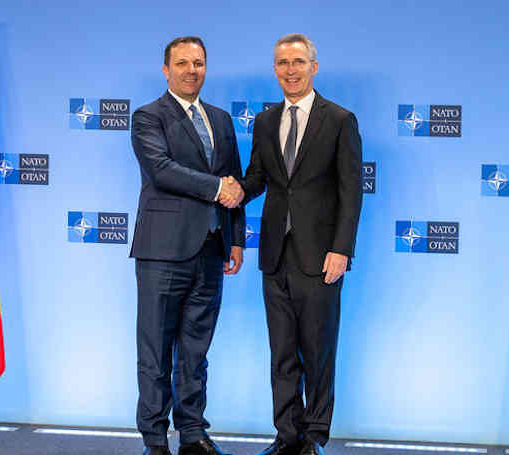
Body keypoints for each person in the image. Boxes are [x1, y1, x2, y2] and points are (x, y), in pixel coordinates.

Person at [240, 33, 363, 455]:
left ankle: (313, 438)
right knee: (282, 355)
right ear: (274, 69)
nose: (289, 71)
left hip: (321, 257)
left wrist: (341, 249)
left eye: (297, 62)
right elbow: (258, 178)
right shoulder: (265, 121)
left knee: (318, 353)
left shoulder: (340, 119)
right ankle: (286, 435)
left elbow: (351, 191)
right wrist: (229, 189)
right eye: (281, 63)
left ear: (313, 66)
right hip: (275, 256)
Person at [130, 36, 246, 455]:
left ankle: (194, 433)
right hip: (162, 252)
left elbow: (234, 181)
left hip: (212, 251)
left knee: (196, 351)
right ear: (166, 70)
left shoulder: (219, 118)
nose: (191, 70)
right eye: (182, 63)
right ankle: (156, 440)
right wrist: (218, 189)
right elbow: (163, 171)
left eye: (198, 63)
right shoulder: (147, 117)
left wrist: (235, 239)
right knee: (156, 353)